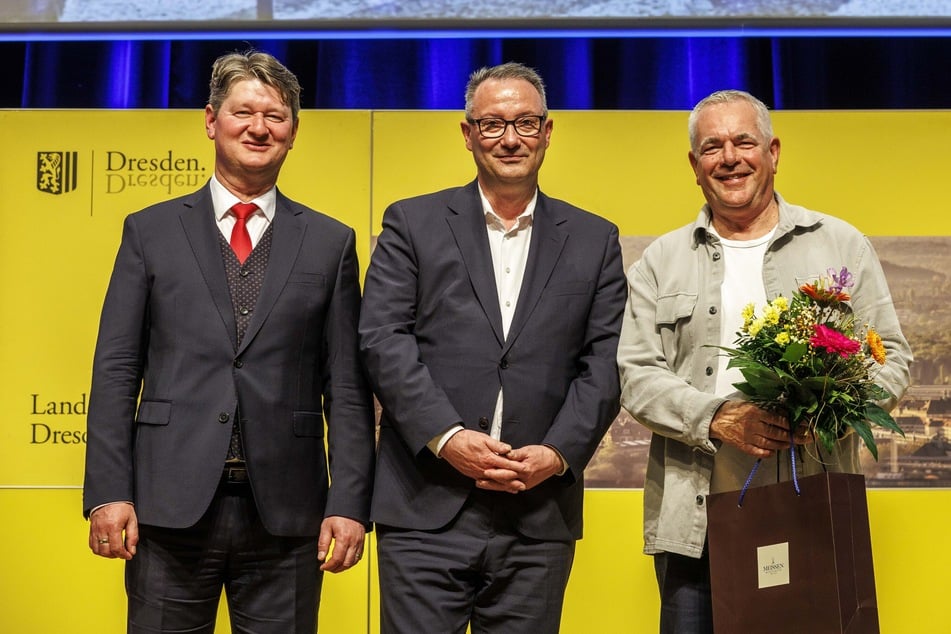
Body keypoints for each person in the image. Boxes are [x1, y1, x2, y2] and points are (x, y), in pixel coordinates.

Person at [82, 50, 375, 633]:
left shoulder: (329, 242)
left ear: (293, 132)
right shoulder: (150, 230)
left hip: (288, 514)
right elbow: (117, 369)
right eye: (244, 112)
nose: (259, 127)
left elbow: (345, 386)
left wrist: (349, 503)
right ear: (211, 120)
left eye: (276, 115)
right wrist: (107, 492)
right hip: (167, 509)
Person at [616, 89, 912, 633]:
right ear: (694, 165)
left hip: (814, 503)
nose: (729, 157)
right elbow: (636, 375)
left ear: (773, 151)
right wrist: (717, 418)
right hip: (695, 522)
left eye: (743, 141)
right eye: (712, 147)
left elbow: (891, 357)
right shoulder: (660, 260)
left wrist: (830, 411)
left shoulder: (841, 244)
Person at [359, 61, 627, 634]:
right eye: (493, 124)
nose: (510, 139)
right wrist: (448, 438)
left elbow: (604, 363)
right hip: (425, 506)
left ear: (548, 133)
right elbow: (382, 339)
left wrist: (556, 453)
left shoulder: (594, 238)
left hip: (538, 513)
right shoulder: (412, 223)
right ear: (467, 133)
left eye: (526, 123)